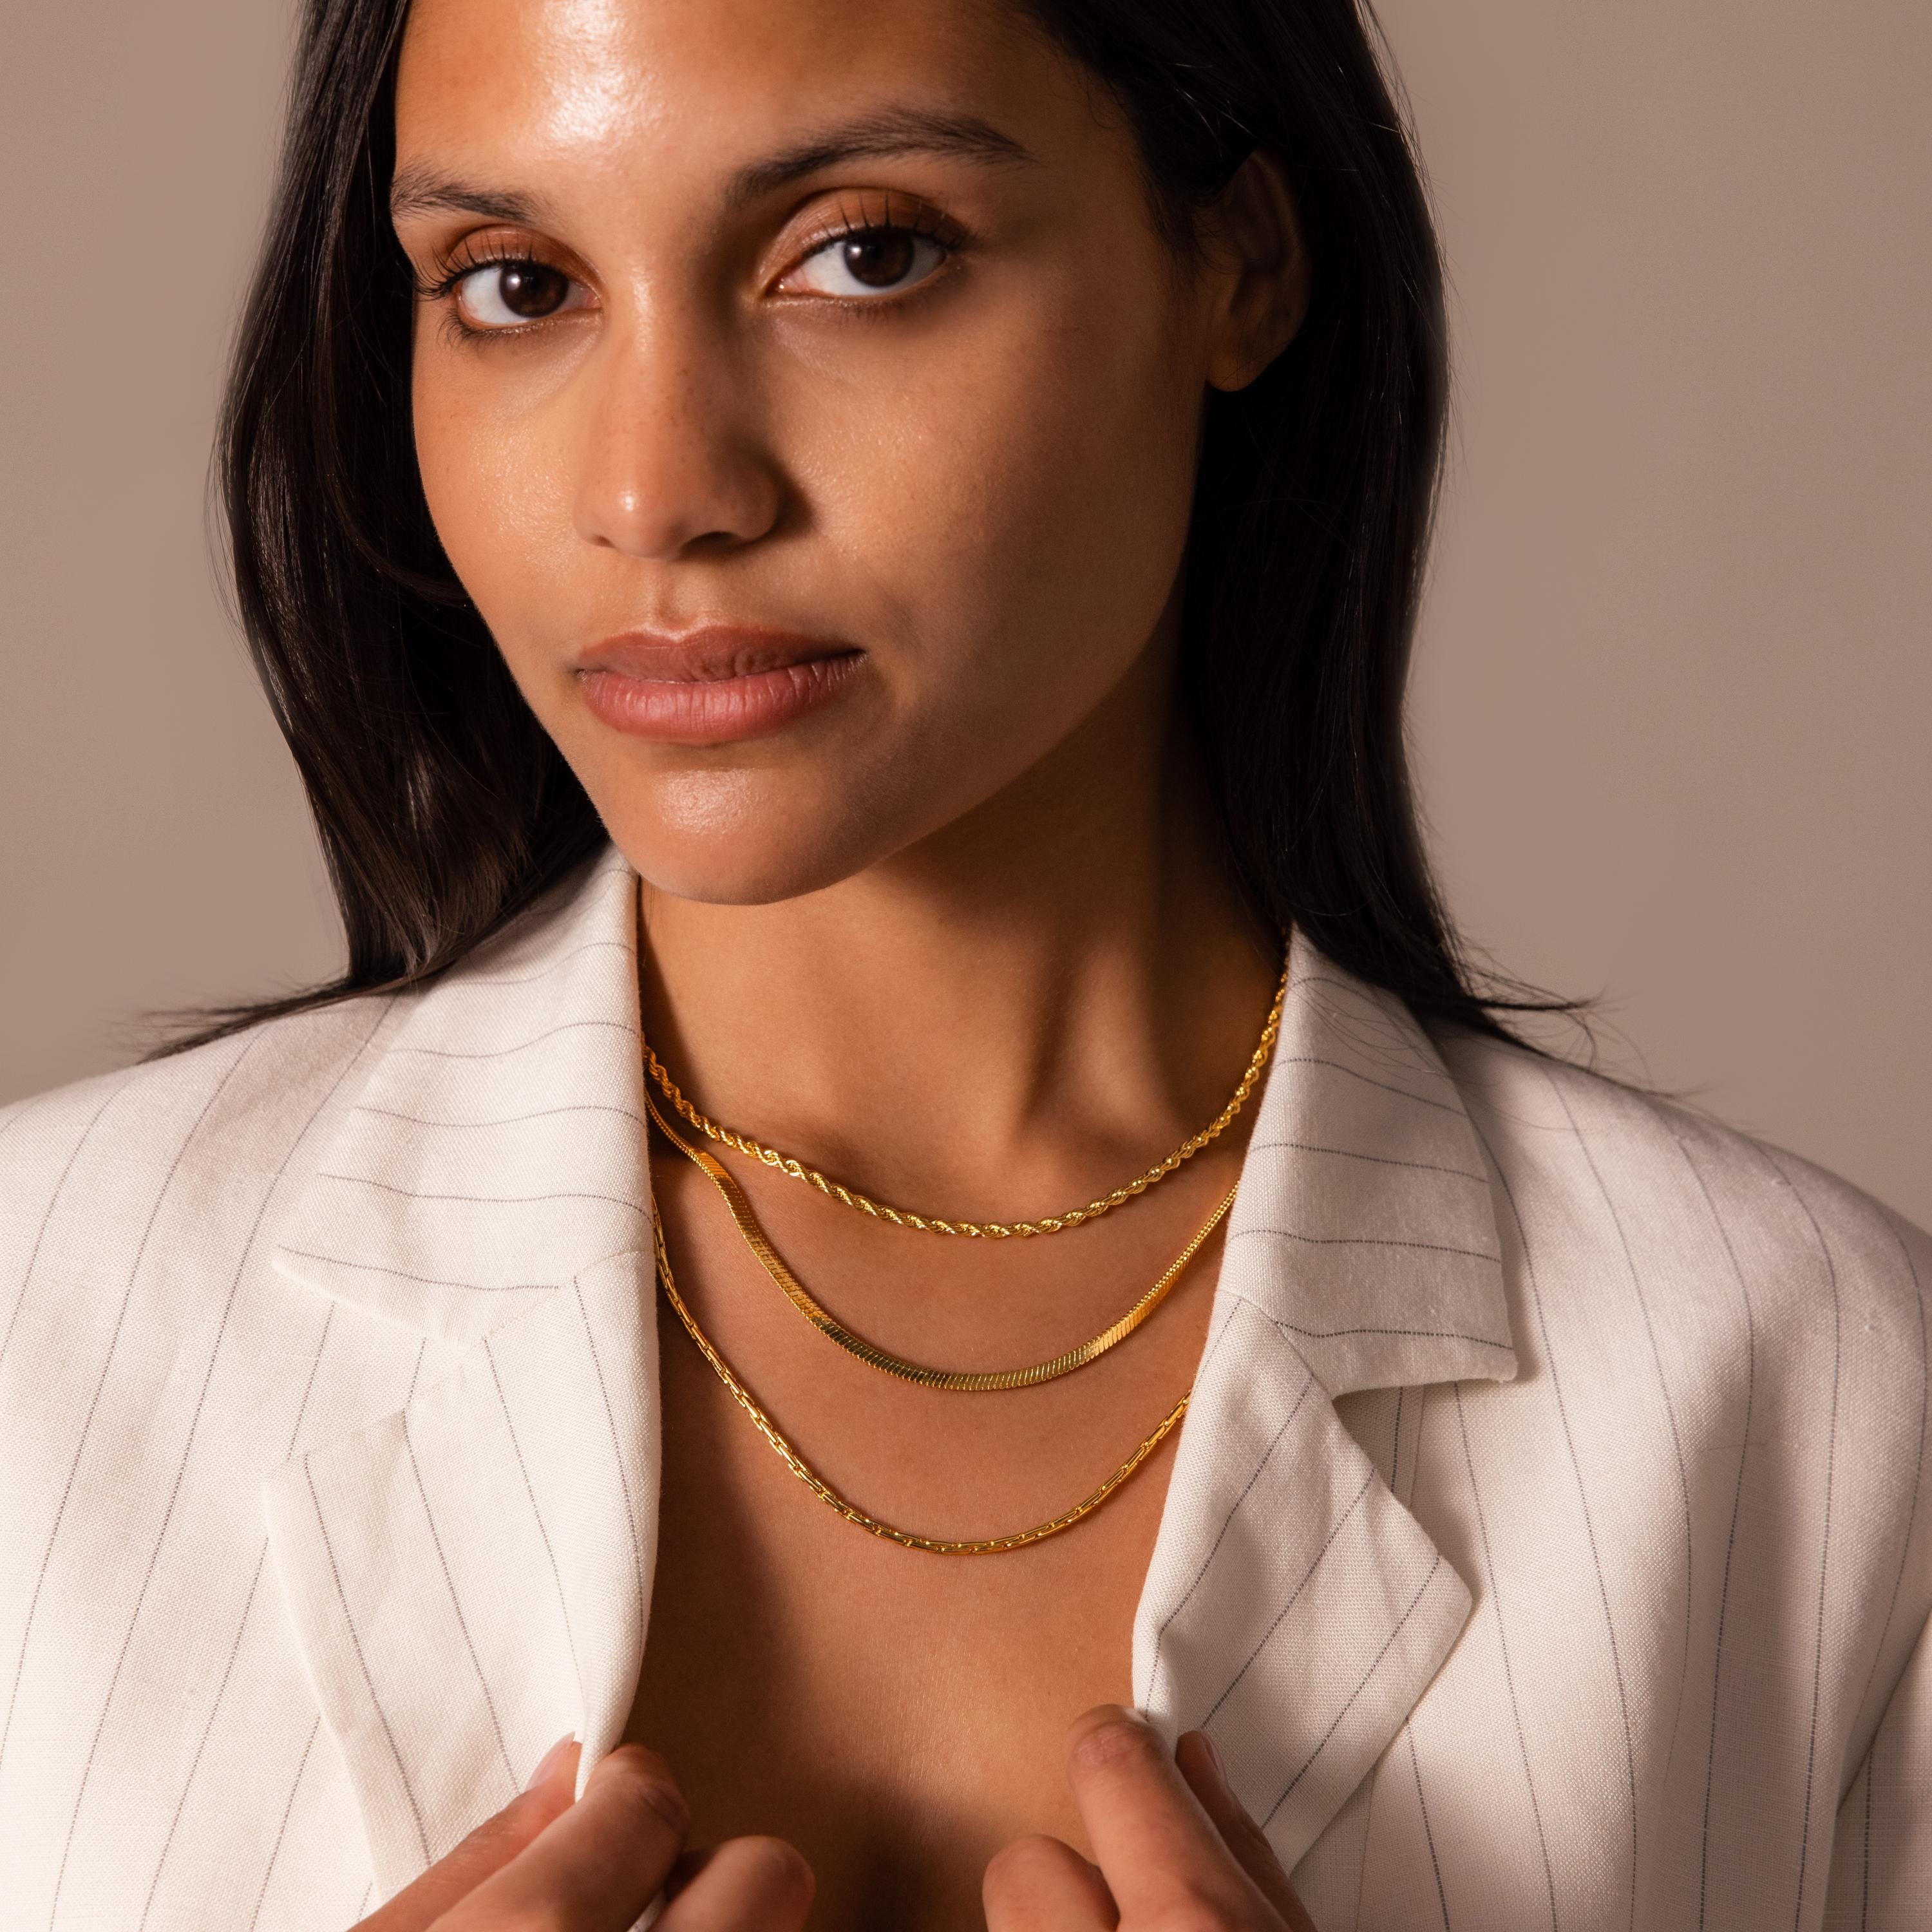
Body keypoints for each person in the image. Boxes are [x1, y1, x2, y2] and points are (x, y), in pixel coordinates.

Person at [1, 0, 1925, 1926]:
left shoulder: (1817, 1400)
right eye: (517, 285)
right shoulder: (42, 1311)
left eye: (865, 254)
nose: (658, 489)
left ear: (1241, 262)